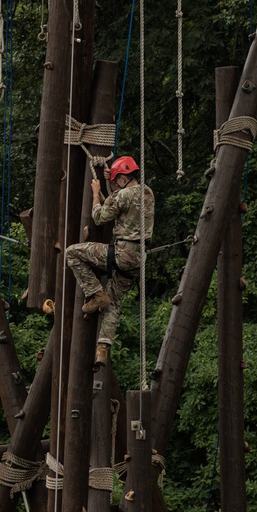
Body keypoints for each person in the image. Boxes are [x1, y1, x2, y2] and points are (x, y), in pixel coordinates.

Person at [66, 155, 154, 365]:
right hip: (139, 258)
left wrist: (96, 194)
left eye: (117, 180)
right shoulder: (147, 192)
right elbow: (120, 202)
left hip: (122, 253)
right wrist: (110, 181)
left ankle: (95, 293)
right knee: (114, 301)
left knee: (72, 252)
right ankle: (103, 348)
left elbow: (99, 217)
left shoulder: (121, 196)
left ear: (123, 177)